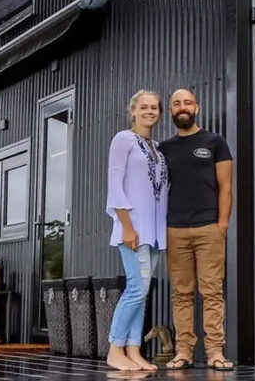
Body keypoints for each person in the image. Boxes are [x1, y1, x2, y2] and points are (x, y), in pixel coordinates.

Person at [159, 88, 234, 371]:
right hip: (175, 229)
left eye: (187, 102)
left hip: (208, 229)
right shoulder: (164, 149)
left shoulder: (215, 142)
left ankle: (215, 352)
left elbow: (226, 186)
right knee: (181, 294)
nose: (182, 107)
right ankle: (184, 352)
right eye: (176, 103)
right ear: (170, 111)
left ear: (197, 107)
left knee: (212, 292)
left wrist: (222, 225)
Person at [105, 90, 168, 371]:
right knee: (136, 288)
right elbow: (115, 185)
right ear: (133, 111)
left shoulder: (157, 148)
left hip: (153, 233)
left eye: (154, 107)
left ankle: (133, 350)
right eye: (143, 107)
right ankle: (115, 348)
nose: (149, 111)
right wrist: (127, 225)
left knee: (142, 291)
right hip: (133, 229)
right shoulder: (123, 140)